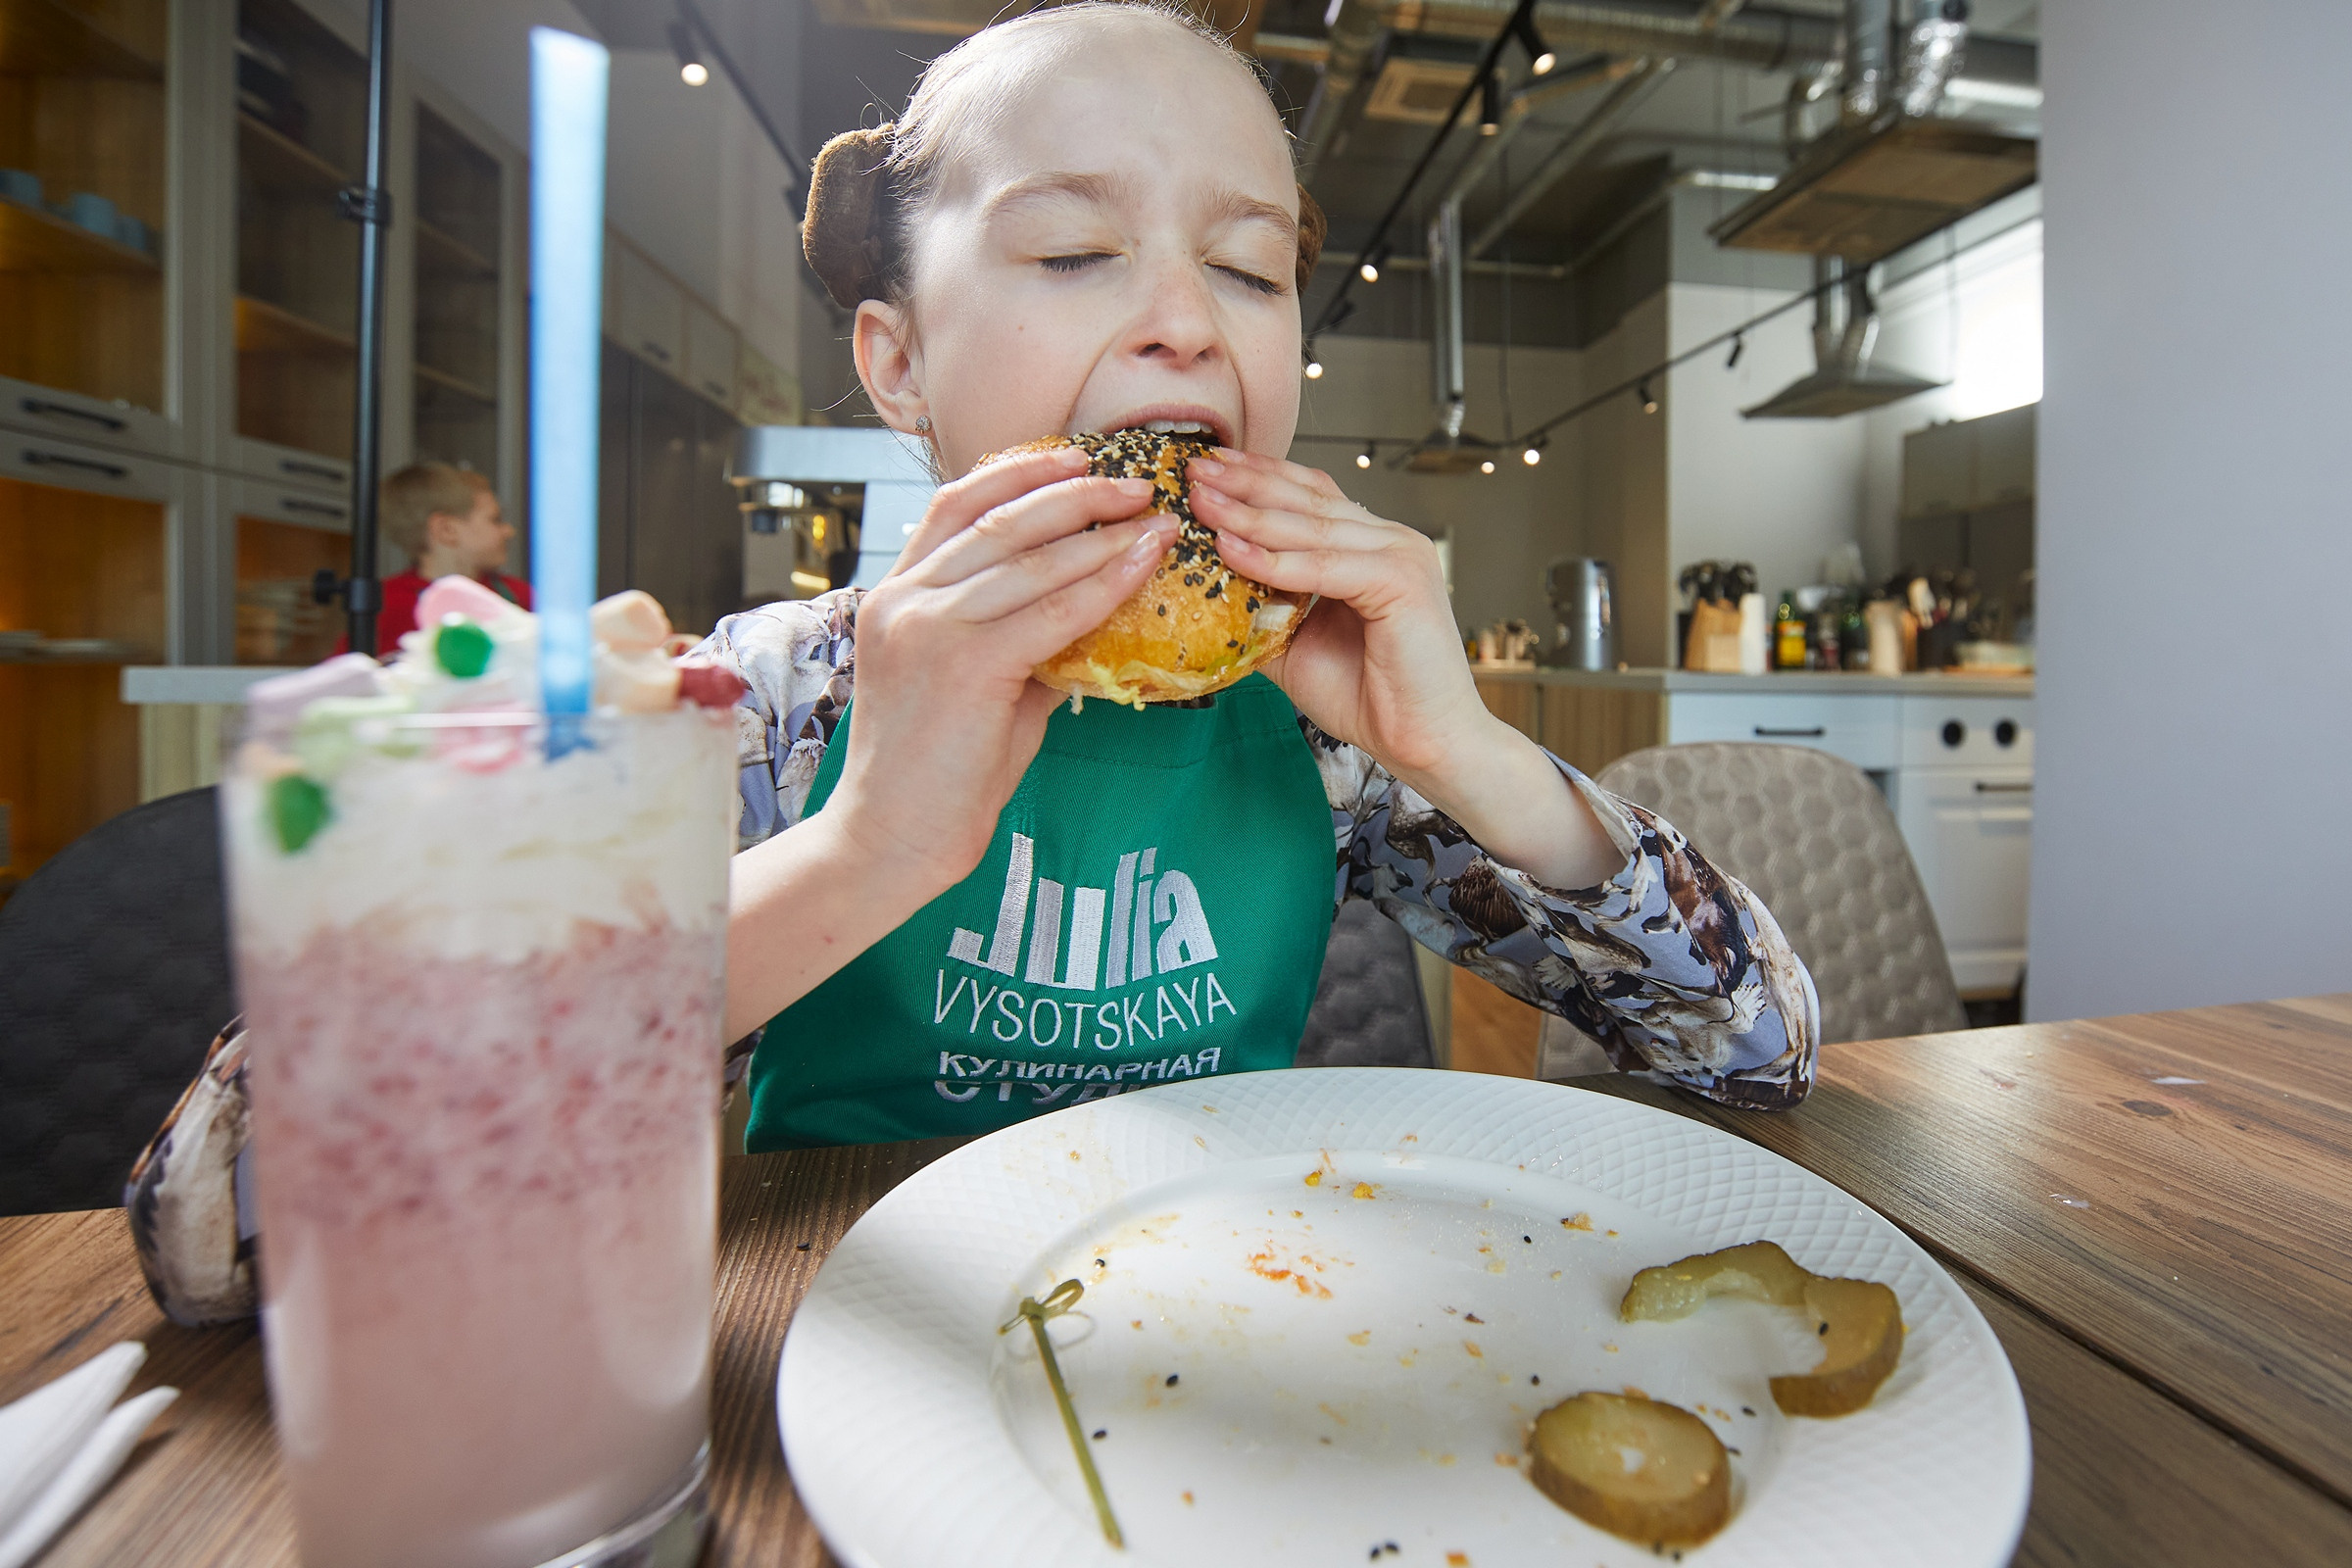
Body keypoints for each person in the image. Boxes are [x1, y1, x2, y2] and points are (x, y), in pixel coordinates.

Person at [128, 1, 1815, 1321]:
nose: (1188, 320)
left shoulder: (1323, 737)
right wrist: (867, 849)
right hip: (810, 1365)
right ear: (897, 360)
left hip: (1232, 1354)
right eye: (1076, 251)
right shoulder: (750, 703)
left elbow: (1757, 1050)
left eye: (1251, 265)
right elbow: (229, 1218)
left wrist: (1475, 757)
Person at [369, 462, 530, 653]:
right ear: (447, 529)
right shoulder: (387, 606)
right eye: (495, 520)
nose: (509, 531)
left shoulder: (519, 595)